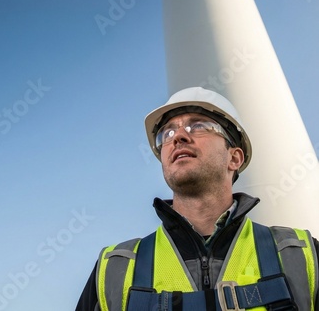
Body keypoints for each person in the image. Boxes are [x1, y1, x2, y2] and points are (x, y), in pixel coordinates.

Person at [76, 87, 319, 310]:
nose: (177, 137)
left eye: (198, 125)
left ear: (234, 158)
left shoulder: (299, 255)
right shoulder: (115, 269)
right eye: (167, 132)